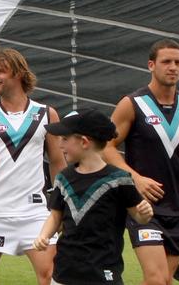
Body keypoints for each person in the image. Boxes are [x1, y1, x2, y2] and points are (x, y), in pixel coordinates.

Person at [102, 39, 179, 284]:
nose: (173, 67)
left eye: (178, 62)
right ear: (151, 65)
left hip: (176, 207)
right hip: (142, 206)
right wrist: (135, 178)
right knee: (157, 279)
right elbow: (105, 147)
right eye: (166, 62)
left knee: (165, 280)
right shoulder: (132, 104)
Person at [0, 48, 67, 285]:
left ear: (18, 73)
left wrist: (64, 205)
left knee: (51, 276)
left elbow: (58, 163)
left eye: (0, 71)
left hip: (35, 214)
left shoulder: (46, 114)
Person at [34, 108, 154, 284]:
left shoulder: (120, 179)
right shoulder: (63, 177)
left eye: (65, 139)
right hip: (64, 273)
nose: (60, 145)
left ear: (84, 142)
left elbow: (138, 216)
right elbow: (55, 216)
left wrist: (144, 214)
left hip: (104, 274)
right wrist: (44, 235)